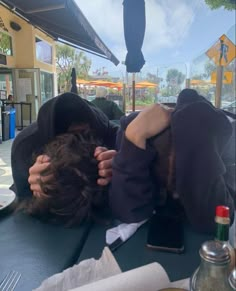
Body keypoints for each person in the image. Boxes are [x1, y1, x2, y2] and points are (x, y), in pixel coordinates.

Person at [12, 89, 235, 233]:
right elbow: (17, 197)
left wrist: (125, 153)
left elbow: (217, 218)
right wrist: (33, 186)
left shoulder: (114, 133)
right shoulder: (25, 146)